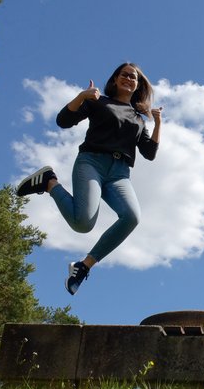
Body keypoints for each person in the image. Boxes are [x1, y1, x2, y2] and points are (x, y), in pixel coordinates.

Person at [16, 62, 162, 295]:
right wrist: (82, 96)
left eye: (133, 78)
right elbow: (63, 121)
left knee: (132, 217)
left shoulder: (138, 118)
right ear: (115, 79)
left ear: (138, 86)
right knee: (83, 224)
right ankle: (49, 182)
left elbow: (150, 153)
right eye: (124, 75)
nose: (129, 79)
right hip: (92, 162)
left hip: (120, 173)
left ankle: (83, 267)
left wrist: (157, 124)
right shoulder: (99, 102)